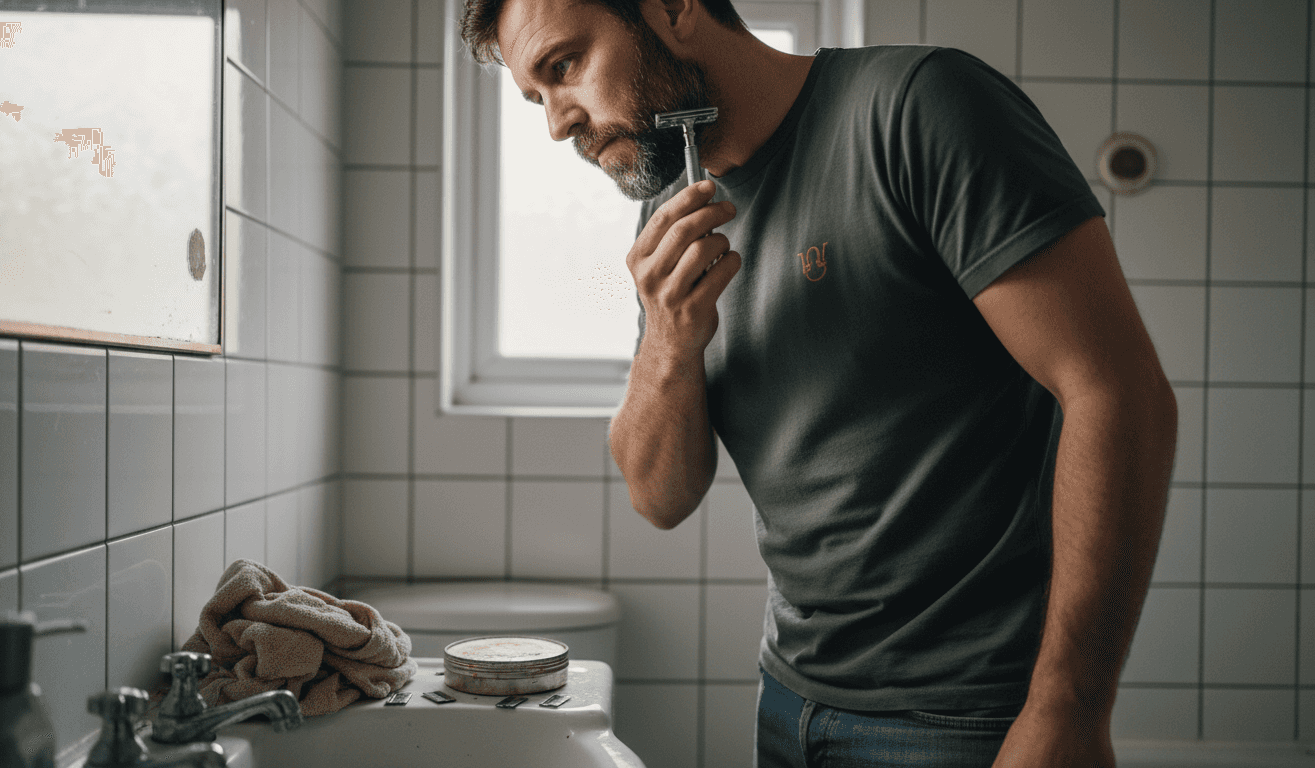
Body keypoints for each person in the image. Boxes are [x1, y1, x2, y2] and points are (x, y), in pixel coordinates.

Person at [460, 0, 1178, 764]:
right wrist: (668, 339)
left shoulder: (919, 108)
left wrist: (1070, 709)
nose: (557, 124)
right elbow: (660, 497)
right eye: (536, 97)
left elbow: (1116, 391)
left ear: (672, 8)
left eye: (564, 67)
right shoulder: (673, 209)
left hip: (968, 717)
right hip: (790, 701)